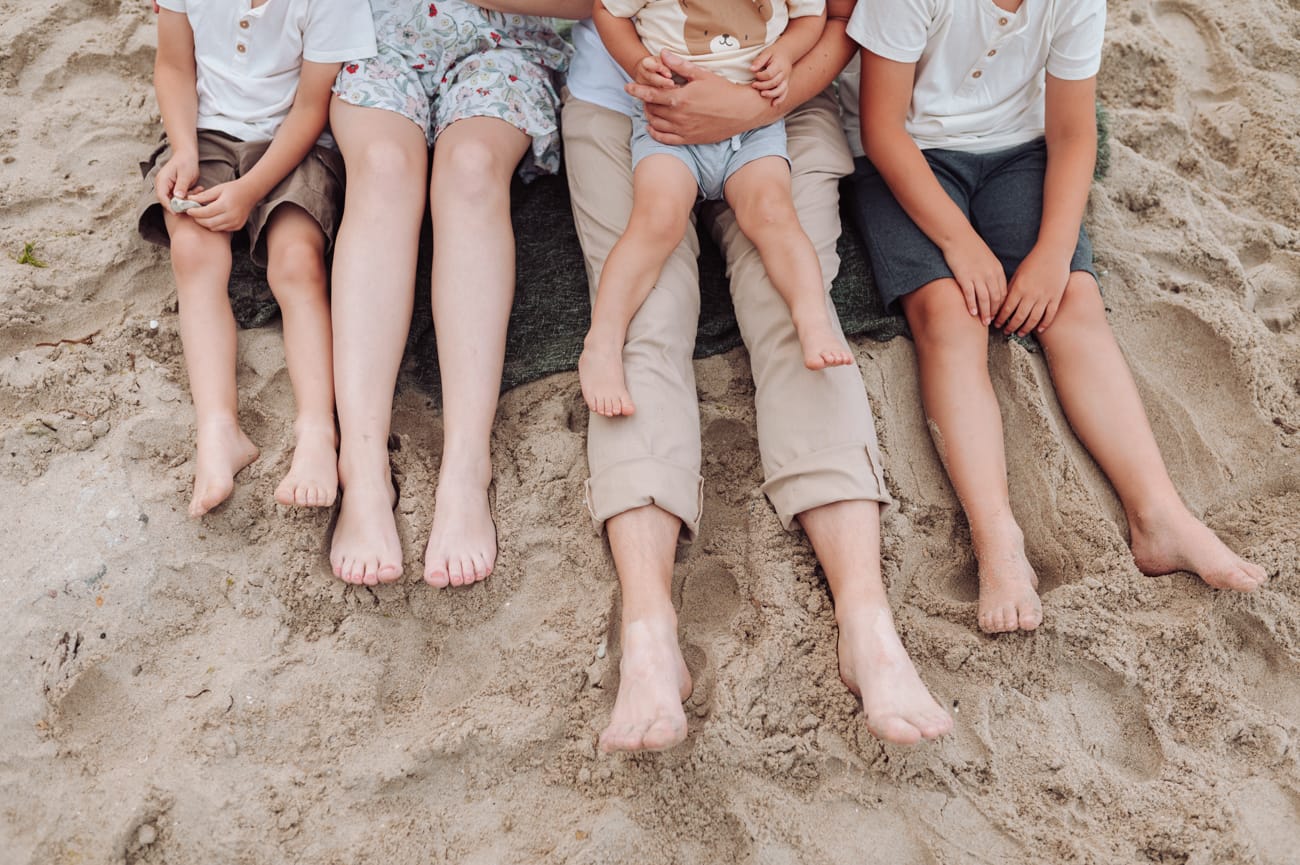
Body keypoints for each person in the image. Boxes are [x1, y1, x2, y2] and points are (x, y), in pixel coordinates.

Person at [563, 0, 954, 751]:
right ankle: (648, 633)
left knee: (795, 310)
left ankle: (866, 621)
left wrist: (751, 97)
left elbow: (844, 14)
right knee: (646, 318)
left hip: (778, 105)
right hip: (632, 104)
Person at [845, 0, 1267, 635]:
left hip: (1020, 150)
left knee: (1073, 300)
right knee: (949, 315)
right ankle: (998, 541)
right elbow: (883, 130)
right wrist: (960, 243)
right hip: (908, 156)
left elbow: (1072, 132)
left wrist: (1051, 253)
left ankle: (1159, 515)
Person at [324, 0, 582, 587]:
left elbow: (593, 5)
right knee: (385, 168)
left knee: (469, 170)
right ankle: (361, 464)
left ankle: (467, 465)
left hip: (502, 46)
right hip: (377, 37)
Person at [138, 0, 376, 518]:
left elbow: (312, 107)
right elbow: (175, 66)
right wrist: (182, 150)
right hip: (205, 134)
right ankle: (219, 429)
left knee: (297, 263)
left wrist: (249, 191)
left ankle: (316, 428)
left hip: (293, 144)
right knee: (193, 254)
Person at [578, 0, 853, 417]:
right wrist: (637, 62)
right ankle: (602, 343)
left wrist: (786, 53)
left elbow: (812, 14)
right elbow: (609, 10)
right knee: (656, 221)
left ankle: (813, 319)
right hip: (667, 124)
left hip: (755, 127)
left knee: (773, 213)